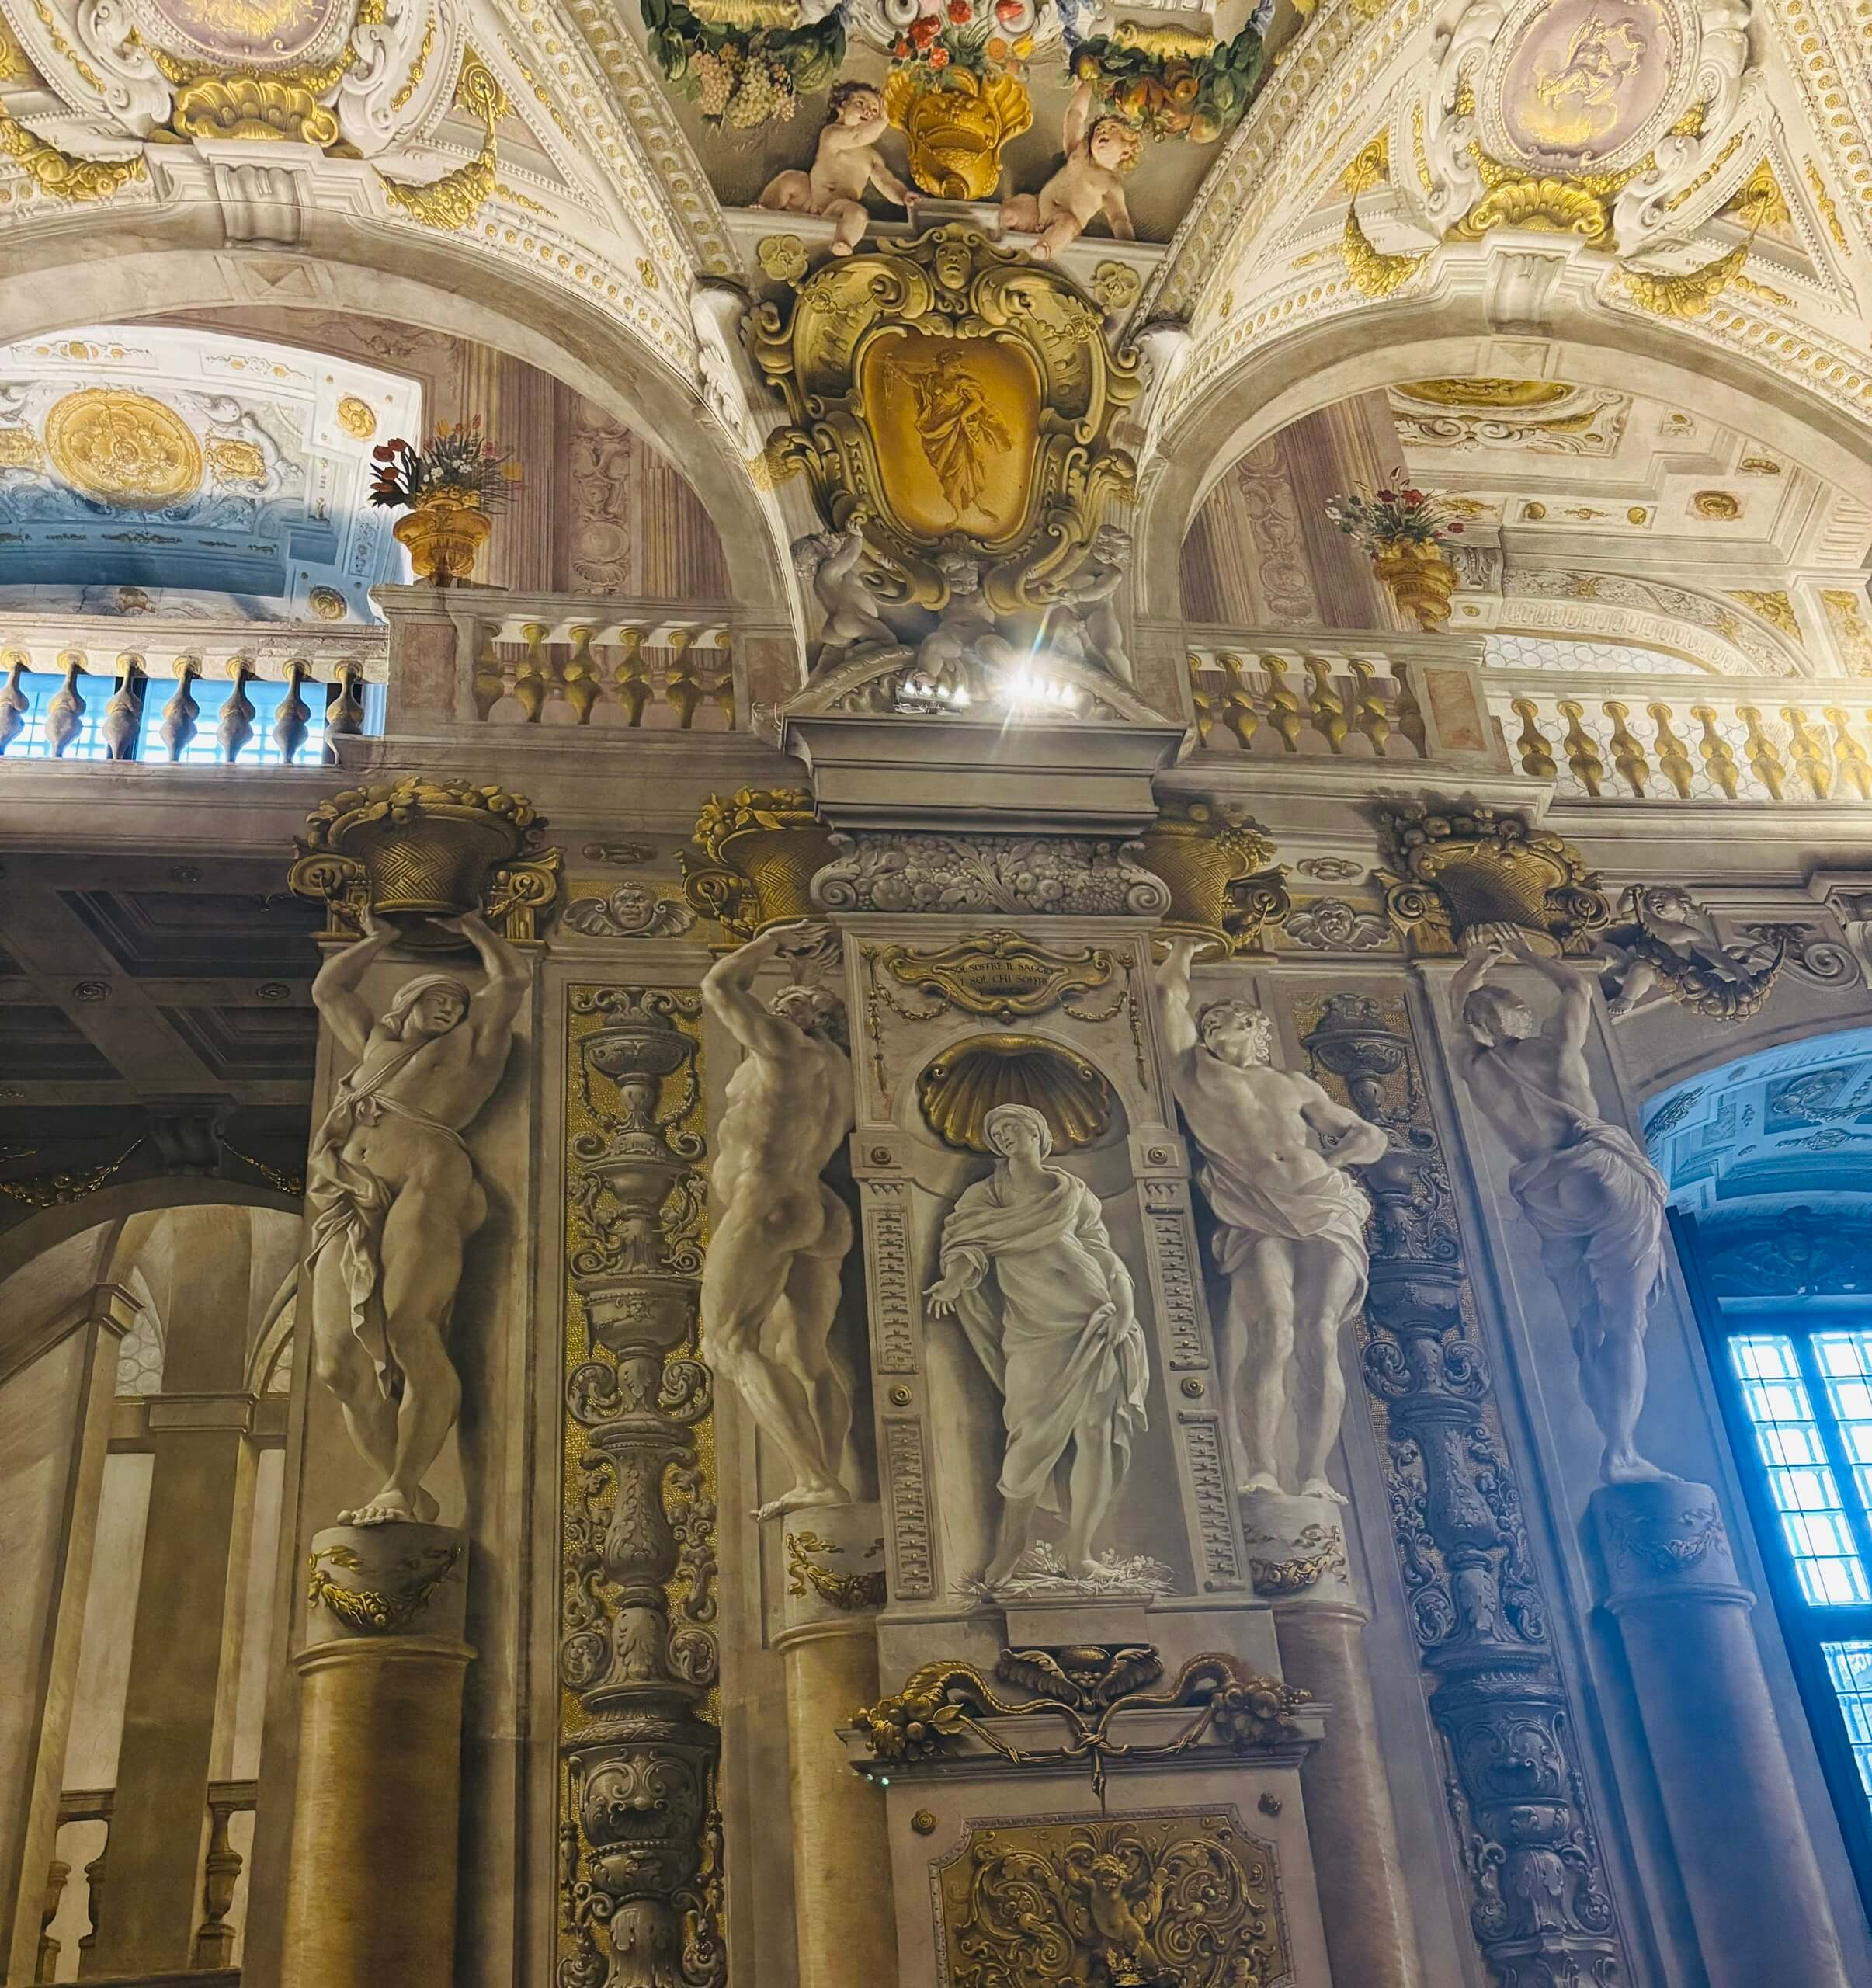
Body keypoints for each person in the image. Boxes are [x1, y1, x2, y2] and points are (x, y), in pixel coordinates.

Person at [307, 909, 526, 1526]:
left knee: (408, 1327)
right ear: (406, 1004)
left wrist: (475, 930)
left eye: (457, 1002)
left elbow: (511, 981)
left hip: (429, 1180)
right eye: (437, 999)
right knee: (336, 1366)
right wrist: (378, 938)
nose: (449, 1008)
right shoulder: (374, 1048)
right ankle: (405, 1491)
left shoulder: (473, 1047)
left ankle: (402, 1489)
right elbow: (329, 988)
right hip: (352, 1193)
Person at [1155, 938, 1386, 1500]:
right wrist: (1180, 951)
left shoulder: (1293, 1084)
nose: (1213, 1027)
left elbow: (1369, 1136)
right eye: (1209, 1023)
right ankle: (1261, 1468)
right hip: (1252, 1208)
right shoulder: (1193, 1072)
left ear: (1253, 1028)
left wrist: (1332, 1163)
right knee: (1273, 1330)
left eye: (1226, 1020)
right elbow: (1167, 998)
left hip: (1324, 1203)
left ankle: (1315, 1476)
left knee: (1319, 1335)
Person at [1450, 923, 1674, 1484]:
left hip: (1544, 1191)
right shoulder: (1550, 1051)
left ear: (1478, 1025)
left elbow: (1457, 1007)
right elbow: (1577, 988)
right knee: (1624, 1322)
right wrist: (1524, 951)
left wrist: (1475, 964)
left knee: (1586, 1327)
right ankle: (1621, 1450)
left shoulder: (1474, 1065)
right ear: (1520, 1017)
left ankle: (1612, 1446)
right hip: (1600, 1174)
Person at [926, 1103, 1148, 1584]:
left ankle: (1080, 1553)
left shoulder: (1073, 1191)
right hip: (1035, 1329)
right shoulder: (987, 1195)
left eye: (1014, 1126)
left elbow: (1104, 1255)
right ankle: (1011, 1547)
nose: (1006, 1135)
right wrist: (953, 1282)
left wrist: (1125, 1308)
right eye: (997, 1131)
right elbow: (966, 1245)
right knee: (1028, 1440)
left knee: (1095, 1434)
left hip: (1096, 1318)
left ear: (1038, 1132)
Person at [700, 922, 857, 1520]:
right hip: (817, 1206)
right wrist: (805, 970)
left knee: (728, 1343)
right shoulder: (836, 1064)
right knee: (805, 1357)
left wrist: (769, 942)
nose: (777, 1008)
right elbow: (802, 1001)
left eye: (790, 1005)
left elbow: (718, 986)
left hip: (764, 1204)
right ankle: (827, 1486)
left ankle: (814, 1478)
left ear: (806, 1019)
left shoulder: (782, 1048)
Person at [756, 80, 912, 256]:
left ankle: (843, 241)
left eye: (875, 110)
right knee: (791, 179)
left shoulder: (871, 156)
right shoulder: (832, 134)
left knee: (859, 214)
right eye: (860, 103)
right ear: (841, 107)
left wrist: (903, 195)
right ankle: (765, 207)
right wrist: (883, 119)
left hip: (838, 211)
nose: (868, 111)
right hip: (809, 200)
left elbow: (886, 182)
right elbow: (857, 136)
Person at [999, 81, 1139, 260]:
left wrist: (1130, 251)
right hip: (1038, 208)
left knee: (1068, 225)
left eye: (1112, 129)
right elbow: (1075, 115)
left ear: (1126, 151)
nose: (1103, 132)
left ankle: (1046, 248)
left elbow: (1119, 219)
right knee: (1011, 211)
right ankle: (1001, 229)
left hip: (1065, 222)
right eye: (1098, 129)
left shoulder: (1110, 185)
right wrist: (1088, 84)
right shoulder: (1079, 152)